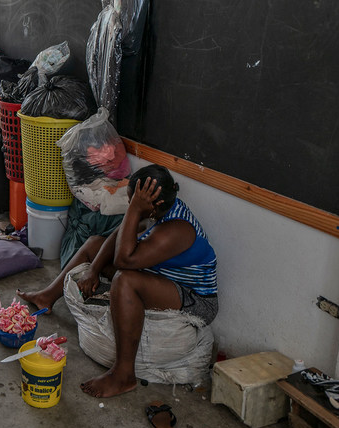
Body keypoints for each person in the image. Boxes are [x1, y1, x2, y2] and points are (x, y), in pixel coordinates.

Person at [18, 164, 217, 399]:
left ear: (153, 206)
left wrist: (133, 210)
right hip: (162, 278)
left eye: (134, 202)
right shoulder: (156, 212)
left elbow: (124, 260)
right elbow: (120, 234)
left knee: (125, 280)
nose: (130, 206)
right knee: (94, 243)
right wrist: (93, 269)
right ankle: (47, 296)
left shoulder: (177, 229)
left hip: (194, 298)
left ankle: (124, 374)